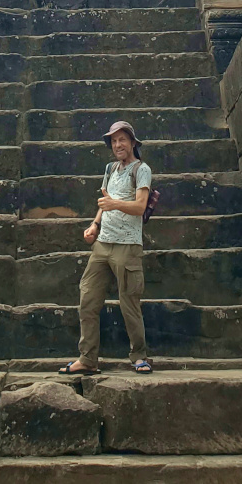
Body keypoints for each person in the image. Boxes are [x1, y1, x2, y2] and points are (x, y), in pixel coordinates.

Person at [58, 119, 153, 375]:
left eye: (122, 139)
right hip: (103, 244)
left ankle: (139, 356)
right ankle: (87, 359)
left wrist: (115, 205)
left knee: (129, 303)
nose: (118, 145)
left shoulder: (141, 169)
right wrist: (94, 226)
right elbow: (104, 203)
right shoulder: (110, 168)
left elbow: (140, 206)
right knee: (88, 299)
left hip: (128, 246)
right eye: (113, 141)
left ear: (132, 142)